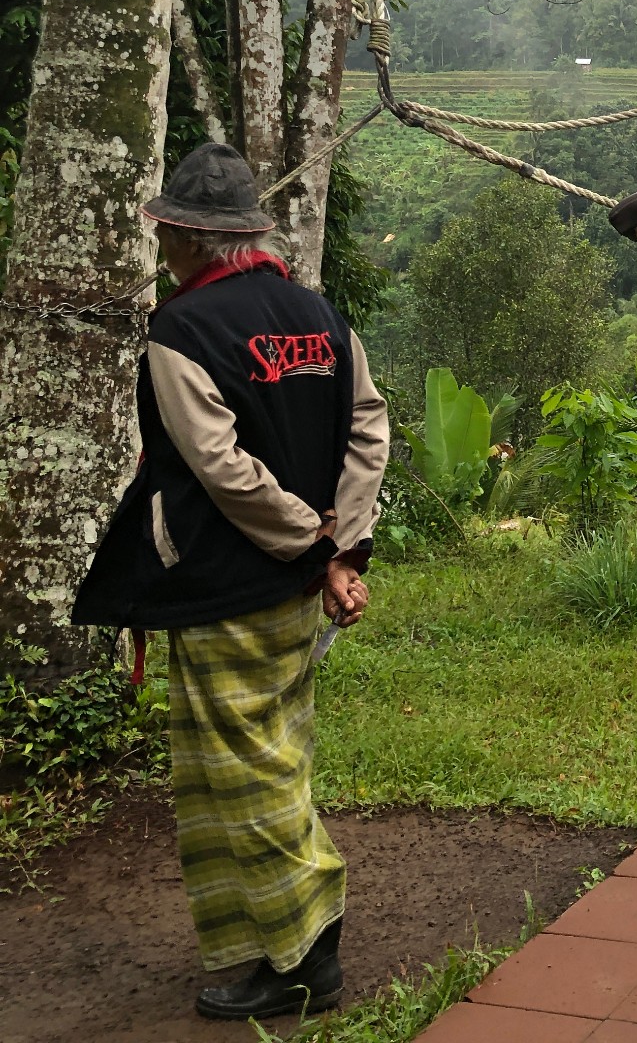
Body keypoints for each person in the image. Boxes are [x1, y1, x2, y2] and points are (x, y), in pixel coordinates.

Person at [72, 143, 389, 1021]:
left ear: (181, 235)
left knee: (243, 775)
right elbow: (369, 426)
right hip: (295, 592)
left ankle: (303, 955)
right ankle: (260, 945)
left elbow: (220, 468)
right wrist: (343, 548)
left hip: (226, 585)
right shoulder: (319, 314)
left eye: (167, 234)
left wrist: (313, 547)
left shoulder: (182, 330)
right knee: (264, 760)